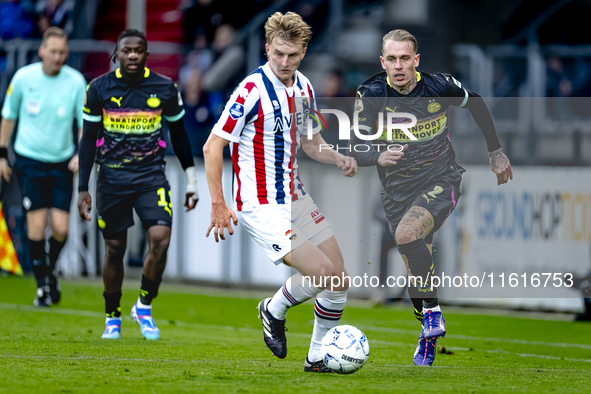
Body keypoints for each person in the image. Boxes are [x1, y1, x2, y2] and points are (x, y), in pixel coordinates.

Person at [203, 12, 357, 372]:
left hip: (295, 196)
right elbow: (213, 147)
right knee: (322, 272)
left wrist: (336, 157)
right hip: (260, 204)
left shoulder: (303, 86)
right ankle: (273, 310)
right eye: (278, 55)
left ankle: (317, 357)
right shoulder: (250, 90)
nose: (284, 63)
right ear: (266, 48)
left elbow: (311, 142)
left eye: (292, 55)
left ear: (304, 51)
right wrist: (218, 204)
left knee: (340, 280)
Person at [348, 29, 513, 366]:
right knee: (416, 272)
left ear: (416, 60)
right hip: (396, 193)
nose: (398, 66)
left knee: (406, 236)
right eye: (391, 59)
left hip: (442, 178)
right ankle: (428, 335)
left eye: (405, 58)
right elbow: (354, 145)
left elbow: (477, 104)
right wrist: (377, 154)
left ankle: (434, 315)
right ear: (383, 62)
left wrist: (495, 151)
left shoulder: (440, 86)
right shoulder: (371, 94)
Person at [77, 29, 199, 340]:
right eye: (126, 50)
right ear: (116, 55)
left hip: (150, 177)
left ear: (146, 55)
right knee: (114, 249)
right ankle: (112, 316)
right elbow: (88, 140)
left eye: (138, 50)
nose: (132, 55)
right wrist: (83, 187)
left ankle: (143, 305)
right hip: (112, 179)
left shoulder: (165, 88)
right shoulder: (98, 88)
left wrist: (191, 178)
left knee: (160, 238)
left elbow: (180, 135)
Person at [0, 26, 86, 307]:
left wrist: (81, 154)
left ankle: (48, 273)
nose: (58, 57)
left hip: (62, 162)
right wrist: (2, 154)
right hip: (29, 160)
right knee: (36, 226)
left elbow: (86, 123)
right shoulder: (24, 78)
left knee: (60, 228)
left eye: (62, 52)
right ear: (42, 51)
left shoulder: (75, 82)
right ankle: (42, 288)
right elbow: (8, 117)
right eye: (53, 52)